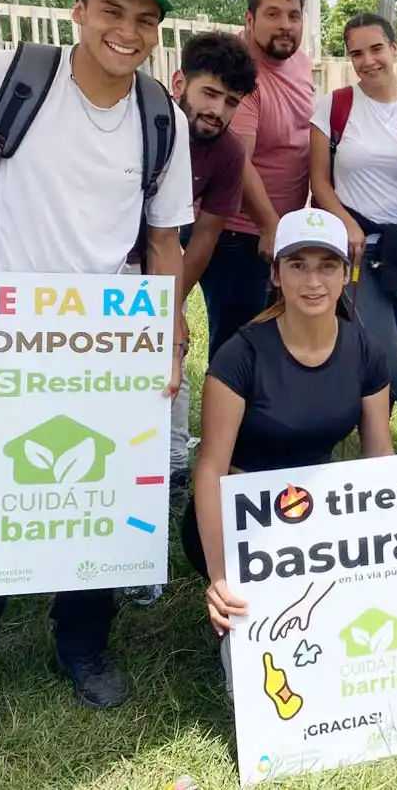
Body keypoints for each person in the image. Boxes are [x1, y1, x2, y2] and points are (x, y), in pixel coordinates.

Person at [0, 0, 195, 740]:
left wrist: (168, 336)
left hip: (105, 341)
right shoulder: (12, 77)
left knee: (98, 497)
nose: (127, 32)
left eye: (145, 20)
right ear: (79, 10)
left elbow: (164, 241)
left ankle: (84, 647)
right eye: (113, 11)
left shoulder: (160, 118)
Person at [185, 210, 397, 686]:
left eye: (327, 266)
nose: (313, 281)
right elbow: (210, 468)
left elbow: (379, 459)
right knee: (258, 677)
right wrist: (220, 577)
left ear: (346, 274)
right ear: (276, 274)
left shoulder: (366, 351)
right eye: (298, 265)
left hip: (321, 515)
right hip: (248, 521)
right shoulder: (239, 356)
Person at [309, 12, 397, 455]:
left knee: (387, 351)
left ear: (394, 48)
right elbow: (319, 181)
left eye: (375, 49)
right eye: (356, 53)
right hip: (356, 249)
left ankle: (375, 441)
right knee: (379, 347)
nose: (367, 61)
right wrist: (346, 223)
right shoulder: (334, 108)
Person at [199, 0, 317, 360]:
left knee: (276, 342)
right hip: (239, 235)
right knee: (237, 346)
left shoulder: (299, 62)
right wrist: (268, 225)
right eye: (273, 15)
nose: (285, 25)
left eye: (293, 16)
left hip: (283, 230)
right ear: (249, 20)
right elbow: (237, 160)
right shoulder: (239, 72)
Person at [167, 31, 258, 490]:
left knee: (171, 350)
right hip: (91, 258)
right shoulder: (145, 121)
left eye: (231, 102)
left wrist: (169, 306)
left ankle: (172, 467)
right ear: (179, 82)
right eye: (209, 93)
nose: (218, 111)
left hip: (162, 258)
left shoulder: (228, 152)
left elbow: (205, 235)